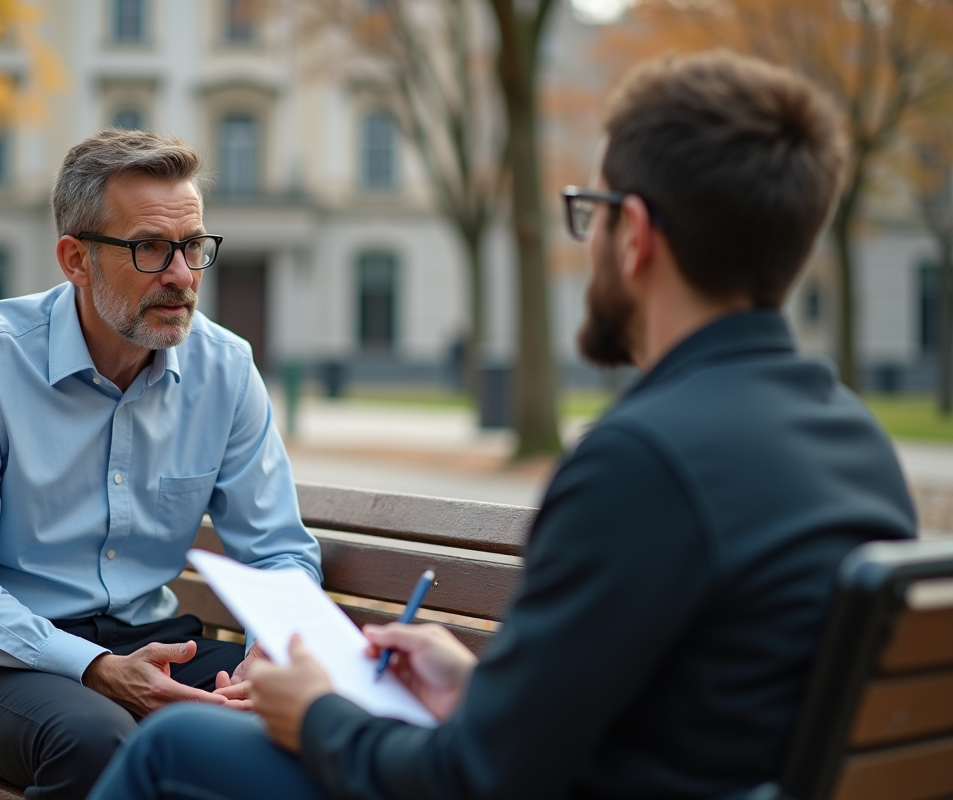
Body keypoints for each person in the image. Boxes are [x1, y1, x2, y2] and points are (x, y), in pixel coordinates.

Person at [85, 51, 917, 800]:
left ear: (634, 236)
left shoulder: (642, 461)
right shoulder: (856, 444)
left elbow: (475, 779)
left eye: (591, 215)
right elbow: (696, 709)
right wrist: (476, 690)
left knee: (180, 744)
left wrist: (318, 716)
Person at [0, 129, 322, 800]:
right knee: (97, 740)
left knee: (324, 722)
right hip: (0, 666)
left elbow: (278, 551)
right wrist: (94, 666)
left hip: (161, 644)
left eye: (192, 246)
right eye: (150, 248)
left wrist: (265, 654)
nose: (182, 276)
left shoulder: (227, 369)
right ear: (75, 259)